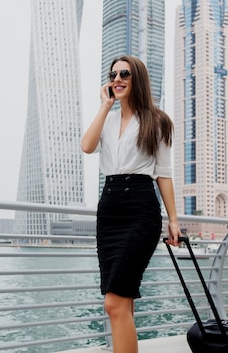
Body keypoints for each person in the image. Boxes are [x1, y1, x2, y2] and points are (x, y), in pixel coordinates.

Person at [81, 55, 181, 353]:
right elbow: (87, 146)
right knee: (123, 302)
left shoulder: (158, 120)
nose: (118, 79)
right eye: (113, 74)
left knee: (113, 303)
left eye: (124, 73)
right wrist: (104, 105)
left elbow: (163, 174)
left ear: (137, 77)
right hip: (109, 209)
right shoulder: (107, 117)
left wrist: (173, 220)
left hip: (140, 209)